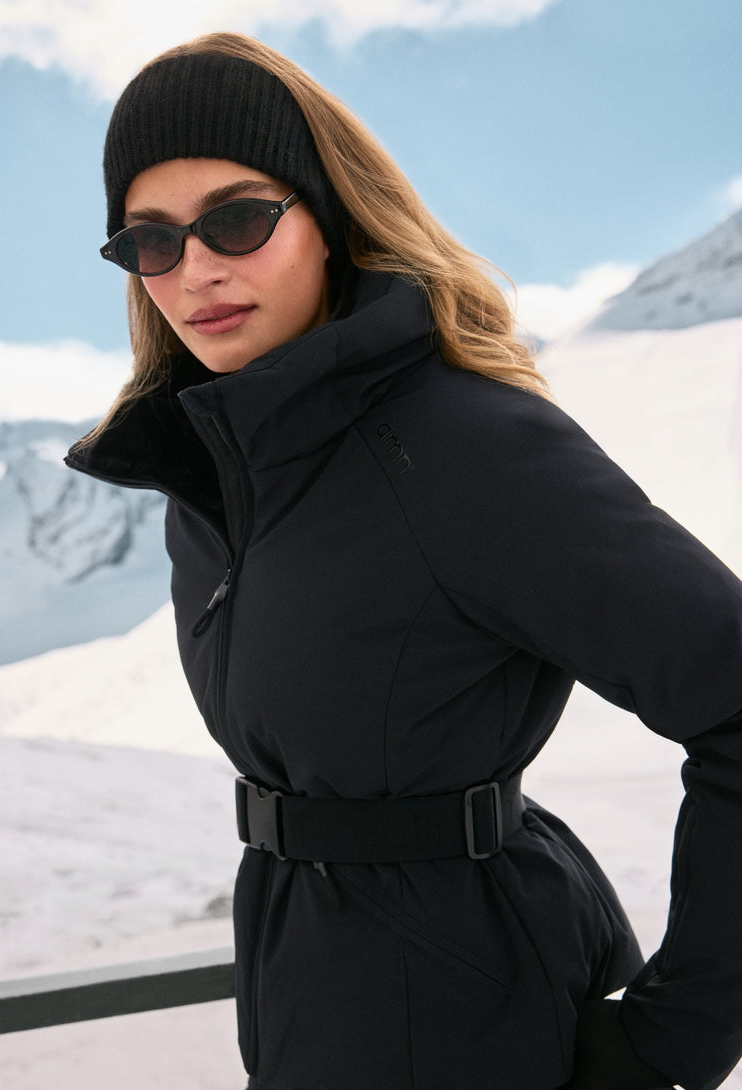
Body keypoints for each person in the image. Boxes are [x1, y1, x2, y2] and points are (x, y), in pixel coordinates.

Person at [66, 31, 742, 1090]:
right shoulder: (213, 480)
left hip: (476, 1023)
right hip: (309, 1005)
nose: (195, 270)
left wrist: (676, 1039)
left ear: (331, 218)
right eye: (151, 241)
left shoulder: (463, 446)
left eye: (237, 220)